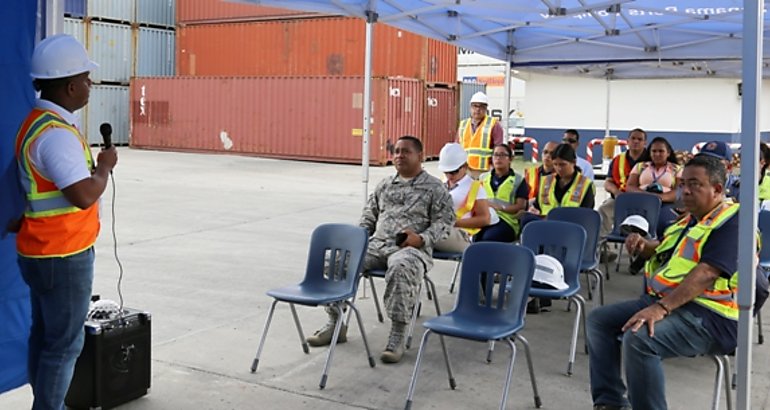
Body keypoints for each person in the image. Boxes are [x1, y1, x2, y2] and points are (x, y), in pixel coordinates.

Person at [9, 34, 117, 410]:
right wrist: (103, 169)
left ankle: (45, 402)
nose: (90, 85)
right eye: (87, 78)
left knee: (44, 336)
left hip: (39, 252)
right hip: (63, 255)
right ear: (71, 86)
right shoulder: (56, 136)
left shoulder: (35, 123)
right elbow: (83, 194)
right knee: (65, 345)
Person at [587, 155, 741, 410]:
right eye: (682, 184)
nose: (686, 190)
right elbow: (666, 251)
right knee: (599, 321)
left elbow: (707, 273)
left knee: (640, 340)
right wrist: (644, 247)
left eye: (694, 184)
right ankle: (610, 402)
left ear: (717, 189)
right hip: (670, 303)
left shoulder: (732, 223)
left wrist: (660, 309)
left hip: (709, 317)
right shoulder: (690, 218)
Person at [306, 136, 454, 364]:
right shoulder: (385, 185)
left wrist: (421, 239)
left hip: (411, 250)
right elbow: (368, 217)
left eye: (406, 151)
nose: (399, 156)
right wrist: (355, 240)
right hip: (378, 245)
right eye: (396, 151)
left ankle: (398, 333)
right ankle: (336, 322)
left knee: (400, 267)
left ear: (420, 156)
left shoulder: (435, 188)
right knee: (336, 262)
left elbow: (444, 224)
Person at [433, 143, 496, 252]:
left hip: (460, 235)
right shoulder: (441, 183)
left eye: (453, 172)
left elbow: (485, 219)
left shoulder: (475, 188)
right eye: (446, 172)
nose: (449, 176)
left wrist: (452, 222)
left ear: (465, 166)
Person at [598, 129, 647, 262]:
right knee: (603, 210)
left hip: (645, 203)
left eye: (640, 139)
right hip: (620, 200)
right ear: (627, 141)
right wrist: (617, 193)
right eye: (633, 138)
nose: (636, 141)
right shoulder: (618, 160)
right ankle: (603, 251)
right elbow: (608, 183)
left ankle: (646, 252)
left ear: (645, 142)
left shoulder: (651, 158)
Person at [625, 136, 680, 241]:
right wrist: (647, 196)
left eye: (661, 151)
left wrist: (658, 197)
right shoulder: (640, 166)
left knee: (663, 223)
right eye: (654, 151)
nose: (657, 154)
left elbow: (678, 192)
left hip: (665, 204)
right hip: (641, 203)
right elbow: (630, 187)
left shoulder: (677, 169)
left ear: (668, 153)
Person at [476, 144, 530, 243]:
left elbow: (520, 206)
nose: (498, 158)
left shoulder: (518, 180)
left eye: (502, 155)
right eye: (495, 155)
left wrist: (501, 208)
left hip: (507, 221)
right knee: (474, 236)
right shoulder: (483, 178)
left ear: (510, 159)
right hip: (485, 217)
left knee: (487, 238)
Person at [531, 143, 595, 218]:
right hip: (547, 226)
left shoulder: (585, 184)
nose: (559, 169)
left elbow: (586, 214)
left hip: (573, 227)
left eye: (563, 165)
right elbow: (537, 207)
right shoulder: (546, 182)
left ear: (574, 162)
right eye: (555, 164)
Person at [456, 92, 505, 176]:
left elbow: (499, 149)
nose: (478, 109)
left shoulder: (493, 125)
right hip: (465, 170)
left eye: (481, 106)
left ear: (486, 109)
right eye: (475, 106)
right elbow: (456, 147)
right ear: (470, 107)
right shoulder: (463, 125)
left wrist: (496, 168)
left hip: (485, 171)